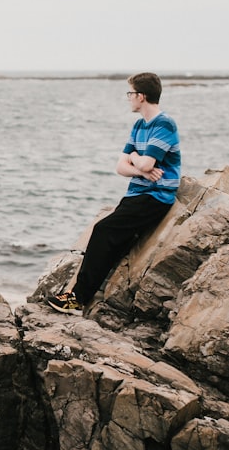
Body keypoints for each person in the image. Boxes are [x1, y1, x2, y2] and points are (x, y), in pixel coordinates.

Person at [46, 72, 181, 314]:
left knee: (102, 230)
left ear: (141, 96)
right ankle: (83, 295)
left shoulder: (164, 124)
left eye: (130, 93)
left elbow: (147, 164)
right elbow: (121, 168)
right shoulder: (139, 125)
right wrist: (138, 167)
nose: (128, 98)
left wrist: (136, 159)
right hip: (137, 194)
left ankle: (77, 299)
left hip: (156, 196)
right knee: (112, 240)